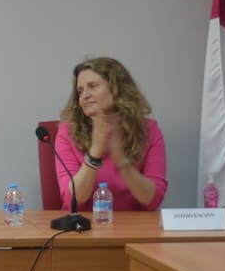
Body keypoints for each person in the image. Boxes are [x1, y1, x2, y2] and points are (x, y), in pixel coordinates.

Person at [54, 56, 167, 211]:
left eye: (92, 86)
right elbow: (72, 201)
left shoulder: (149, 130)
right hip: (84, 223)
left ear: (116, 89)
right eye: (80, 91)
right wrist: (95, 153)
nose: (85, 95)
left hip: (134, 224)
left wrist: (122, 161)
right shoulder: (68, 132)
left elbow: (153, 200)